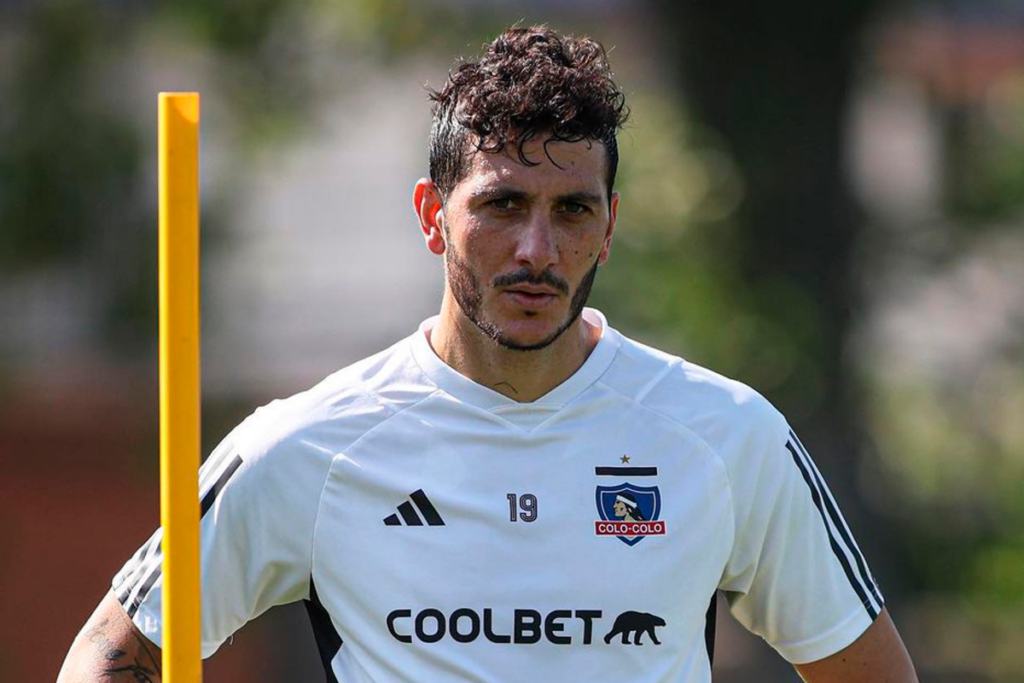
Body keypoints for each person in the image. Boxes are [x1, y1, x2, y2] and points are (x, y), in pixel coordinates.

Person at [58, 25, 918, 683]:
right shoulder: (309, 444)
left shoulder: (727, 435)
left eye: (573, 210)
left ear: (610, 226)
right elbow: (111, 652)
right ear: (433, 215)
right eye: (502, 204)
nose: (537, 249)